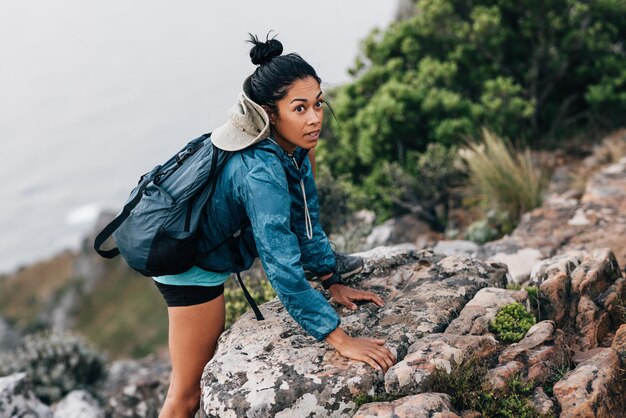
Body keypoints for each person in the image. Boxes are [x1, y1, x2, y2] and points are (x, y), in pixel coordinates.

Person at [153, 34, 396, 418]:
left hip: (204, 244)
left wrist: (330, 278)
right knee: (186, 394)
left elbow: (305, 218)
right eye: (299, 108)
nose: (315, 117)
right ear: (269, 113)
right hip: (188, 267)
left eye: (318, 104)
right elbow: (279, 264)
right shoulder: (259, 172)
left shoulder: (294, 147)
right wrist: (339, 338)